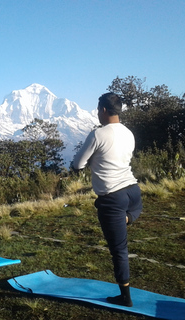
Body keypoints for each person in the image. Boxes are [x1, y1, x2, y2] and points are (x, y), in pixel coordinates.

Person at [72, 93, 143, 307]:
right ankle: (125, 219)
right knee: (125, 220)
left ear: (103, 109)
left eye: (97, 108)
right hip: (133, 192)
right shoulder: (128, 133)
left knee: (119, 249)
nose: (96, 113)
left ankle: (125, 297)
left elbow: (77, 164)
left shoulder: (98, 134)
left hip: (113, 197)